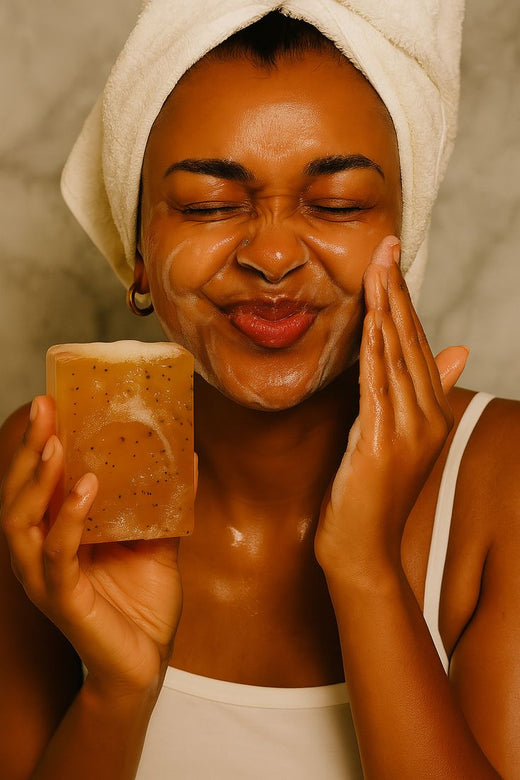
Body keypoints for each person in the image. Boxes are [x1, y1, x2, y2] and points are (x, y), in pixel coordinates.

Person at [1, 6, 519, 779]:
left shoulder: (501, 482)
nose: (273, 255)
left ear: (403, 240)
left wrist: (365, 568)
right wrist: (119, 688)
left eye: (337, 202)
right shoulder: (49, 464)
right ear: (137, 247)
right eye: (209, 206)